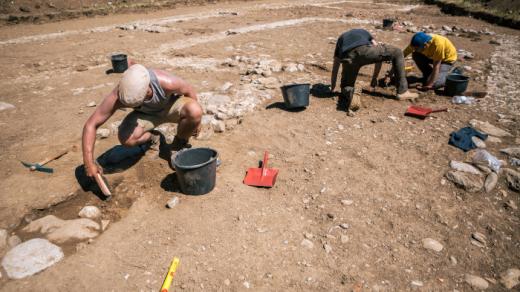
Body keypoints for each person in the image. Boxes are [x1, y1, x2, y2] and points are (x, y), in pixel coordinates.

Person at [82, 64, 202, 179]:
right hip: (146, 115)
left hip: (170, 107)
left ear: (147, 89)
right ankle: (154, 138)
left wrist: (196, 123)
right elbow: (91, 125)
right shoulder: (120, 93)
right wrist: (89, 164)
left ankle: (178, 145)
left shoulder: (167, 82)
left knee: (194, 111)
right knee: (126, 138)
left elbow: (189, 91)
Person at [331, 28, 418, 110]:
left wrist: (333, 87)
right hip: (364, 51)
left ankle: (351, 92)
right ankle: (402, 91)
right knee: (397, 52)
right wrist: (374, 77)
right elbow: (378, 57)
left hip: (348, 57)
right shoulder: (365, 32)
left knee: (346, 86)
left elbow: (336, 66)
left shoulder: (341, 38)